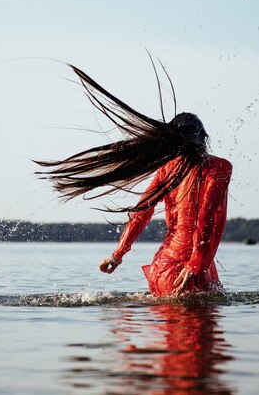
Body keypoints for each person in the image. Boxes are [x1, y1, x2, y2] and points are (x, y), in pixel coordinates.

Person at [35, 64, 232, 297]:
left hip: (161, 270)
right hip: (188, 272)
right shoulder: (219, 168)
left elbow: (141, 211)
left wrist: (118, 254)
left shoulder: (167, 170)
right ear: (204, 139)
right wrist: (195, 264)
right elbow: (206, 219)